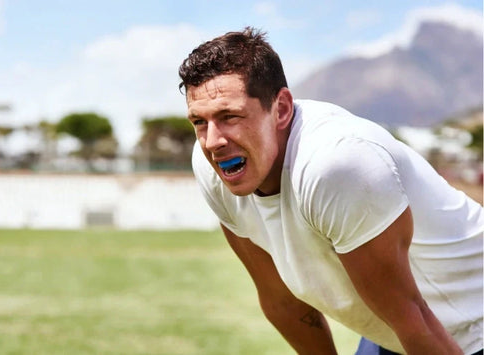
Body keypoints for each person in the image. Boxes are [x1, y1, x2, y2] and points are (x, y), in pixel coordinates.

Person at [178, 27, 483, 355]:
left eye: (230, 116)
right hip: (401, 328)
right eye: (199, 122)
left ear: (281, 109)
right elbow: (282, 302)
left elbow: (416, 319)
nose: (213, 141)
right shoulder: (215, 167)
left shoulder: (335, 163)